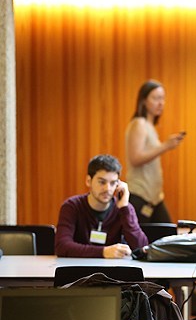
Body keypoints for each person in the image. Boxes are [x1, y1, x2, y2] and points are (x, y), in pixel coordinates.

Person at [55, 154, 148, 258]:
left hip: (114, 267)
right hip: (78, 267)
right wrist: (103, 252)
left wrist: (125, 209)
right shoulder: (72, 206)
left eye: (113, 183)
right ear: (88, 181)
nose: (107, 189)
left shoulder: (124, 209)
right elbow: (62, 246)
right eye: (102, 182)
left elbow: (142, 248)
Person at [125, 79, 185, 223]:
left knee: (167, 233)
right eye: (156, 98)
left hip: (154, 198)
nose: (161, 103)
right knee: (163, 233)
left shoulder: (149, 126)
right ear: (144, 101)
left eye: (162, 98)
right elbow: (135, 158)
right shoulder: (139, 124)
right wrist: (165, 146)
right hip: (139, 195)